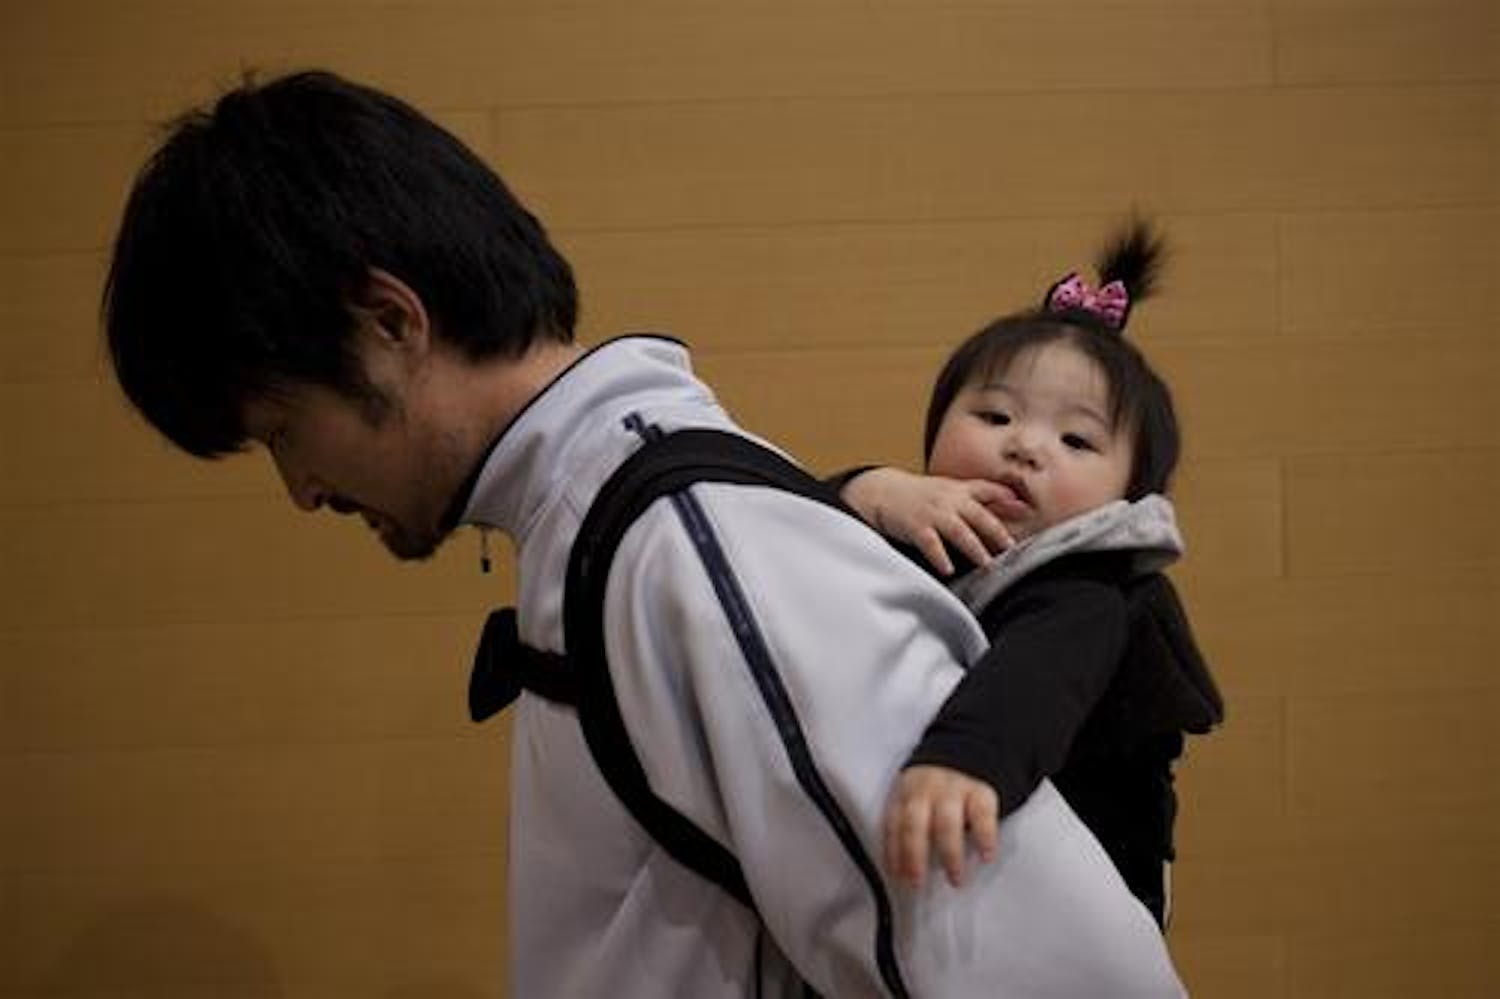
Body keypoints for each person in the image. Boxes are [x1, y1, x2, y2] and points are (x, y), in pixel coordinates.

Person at [103, 70, 1186, 996]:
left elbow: (1061, 965)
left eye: (286, 431)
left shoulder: (686, 545)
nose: (300, 487)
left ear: (389, 322)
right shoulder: (601, 524)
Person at [839, 222, 1224, 927]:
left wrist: (965, 758)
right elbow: (796, 535)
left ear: (1126, 496)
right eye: (994, 414)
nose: (1025, 446)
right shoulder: (939, 531)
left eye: (1076, 439)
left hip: (1090, 890)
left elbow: (1036, 676)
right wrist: (870, 490)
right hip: (970, 859)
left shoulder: (1092, 588)